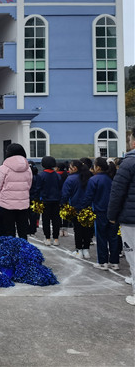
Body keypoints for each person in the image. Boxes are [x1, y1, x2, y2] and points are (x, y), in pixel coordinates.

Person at [107, 129, 135, 305]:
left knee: (133, 255)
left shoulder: (129, 163)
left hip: (131, 220)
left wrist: (112, 215)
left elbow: (117, 192)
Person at [84, 157, 118, 271]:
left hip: (100, 211)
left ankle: (103, 261)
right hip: (113, 211)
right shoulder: (111, 178)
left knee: (101, 236)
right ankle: (114, 262)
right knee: (113, 237)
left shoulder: (94, 180)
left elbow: (88, 196)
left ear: (98, 167)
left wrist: (84, 208)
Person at [0, 143, 32, 240]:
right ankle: (24, 251)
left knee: (9, 230)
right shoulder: (28, 168)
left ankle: (11, 252)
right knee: (23, 230)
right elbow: (29, 185)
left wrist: (0, 198)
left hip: (7, 203)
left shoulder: (3, 168)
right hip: (23, 203)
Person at [61, 160, 93, 259]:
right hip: (89, 207)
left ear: (75, 168)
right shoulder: (89, 177)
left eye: (69, 168)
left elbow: (65, 194)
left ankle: (79, 250)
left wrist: (63, 205)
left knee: (78, 229)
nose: (68, 170)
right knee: (87, 229)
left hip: (76, 207)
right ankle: (86, 250)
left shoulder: (70, 179)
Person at [38, 156, 62, 246]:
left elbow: (38, 188)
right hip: (56, 200)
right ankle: (56, 239)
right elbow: (60, 187)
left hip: (45, 201)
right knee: (56, 220)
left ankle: (47, 238)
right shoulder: (57, 175)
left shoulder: (41, 175)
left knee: (46, 220)